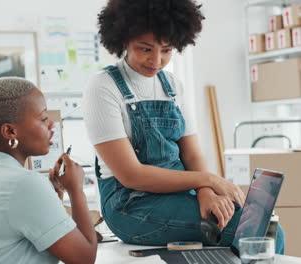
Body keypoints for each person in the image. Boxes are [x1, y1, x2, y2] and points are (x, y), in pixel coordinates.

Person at [83, 0, 284, 253]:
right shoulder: (103, 87)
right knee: (256, 232)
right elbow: (131, 175)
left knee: (266, 226)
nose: (156, 60)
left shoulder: (172, 85)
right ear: (123, 40)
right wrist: (209, 180)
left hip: (181, 194)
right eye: (145, 49)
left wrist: (206, 193)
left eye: (166, 50)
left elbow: (191, 154)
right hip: (130, 206)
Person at [0, 77, 97, 264]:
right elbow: (84, 258)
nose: (52, 125)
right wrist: (76, 190)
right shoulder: (23, 183)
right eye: (44, 118)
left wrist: (56, 193)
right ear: (10, 132)